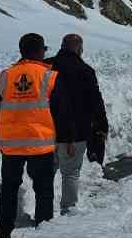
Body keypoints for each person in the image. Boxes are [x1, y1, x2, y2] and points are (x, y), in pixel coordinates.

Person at [0, 33, 58, 238]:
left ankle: (4, 232)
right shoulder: (49, 76)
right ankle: (43, 229)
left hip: (11, 145)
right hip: (41, 144)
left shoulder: (5, 76)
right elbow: (61, 110)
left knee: (9, 188)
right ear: (38, 51)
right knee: (43, 189)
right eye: (44, 49)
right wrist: (65, 139)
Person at [45, 33, 109, 213]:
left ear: (62, 46)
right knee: (71, 172)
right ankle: (68, 210)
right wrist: (102, 125)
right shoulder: (85, 71)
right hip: (76, 132)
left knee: (47, 171)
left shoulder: (46, 66)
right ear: (80, 49)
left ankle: (43, 210)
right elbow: (96, 101)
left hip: (46, 129)